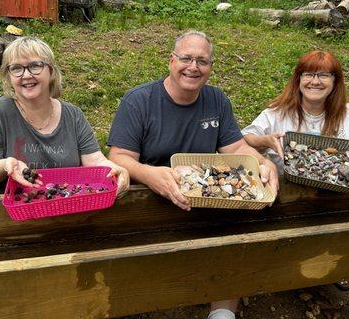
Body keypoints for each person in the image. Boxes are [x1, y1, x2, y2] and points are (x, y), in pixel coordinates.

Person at [107, 30, 278, 319]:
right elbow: (119, 158)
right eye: (186, 58)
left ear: (210, 67)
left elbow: (235, 147)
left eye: (202, 61)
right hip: (149, 200)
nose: (193, 67)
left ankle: (222, 312)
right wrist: (152, 175)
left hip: (206, 201)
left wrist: (262, 162)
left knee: (235, 232)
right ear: (171, 61)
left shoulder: (216, 100)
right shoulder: (138, 101)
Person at [242, 49, 349, 291]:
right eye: (308, 74)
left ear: (335, 82)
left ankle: (334, 263)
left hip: (332, 200)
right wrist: (267, 140)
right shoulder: (278, 111)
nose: (315, 81)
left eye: (323, 75)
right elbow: (244, 138)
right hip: (288, 199)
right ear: (298, 79)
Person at [0, 36, 129, 196]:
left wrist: (119, 170)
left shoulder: (73, 115)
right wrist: (5, 165)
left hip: (56, 207)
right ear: (8, 76)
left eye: (35, 66)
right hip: (1, 209)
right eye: (16, 68)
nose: (26, 75)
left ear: (51, 71)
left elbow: (96, 162)